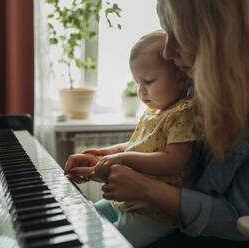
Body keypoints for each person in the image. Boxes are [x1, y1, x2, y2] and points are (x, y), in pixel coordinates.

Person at [65, 0, 249, 247]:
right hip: (186, 220)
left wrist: (147, 188)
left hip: (239, 237)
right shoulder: (206, 78)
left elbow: (242, 221)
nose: (168, 52)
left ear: (217, 35)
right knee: (82, 227)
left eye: (180, 34)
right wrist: (108, 158)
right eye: (168, 33)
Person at [65, 30, 201, 247]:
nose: (141, 90)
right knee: (83, 219)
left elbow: (174, 160)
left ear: (181, 78)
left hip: (156, 214)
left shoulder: (183, 113)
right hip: (130, 202)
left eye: (148, 81)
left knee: (107, 243)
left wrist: (123, 159)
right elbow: (139, 146)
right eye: (137, 82)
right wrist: (108, 153)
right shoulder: (154, 112)